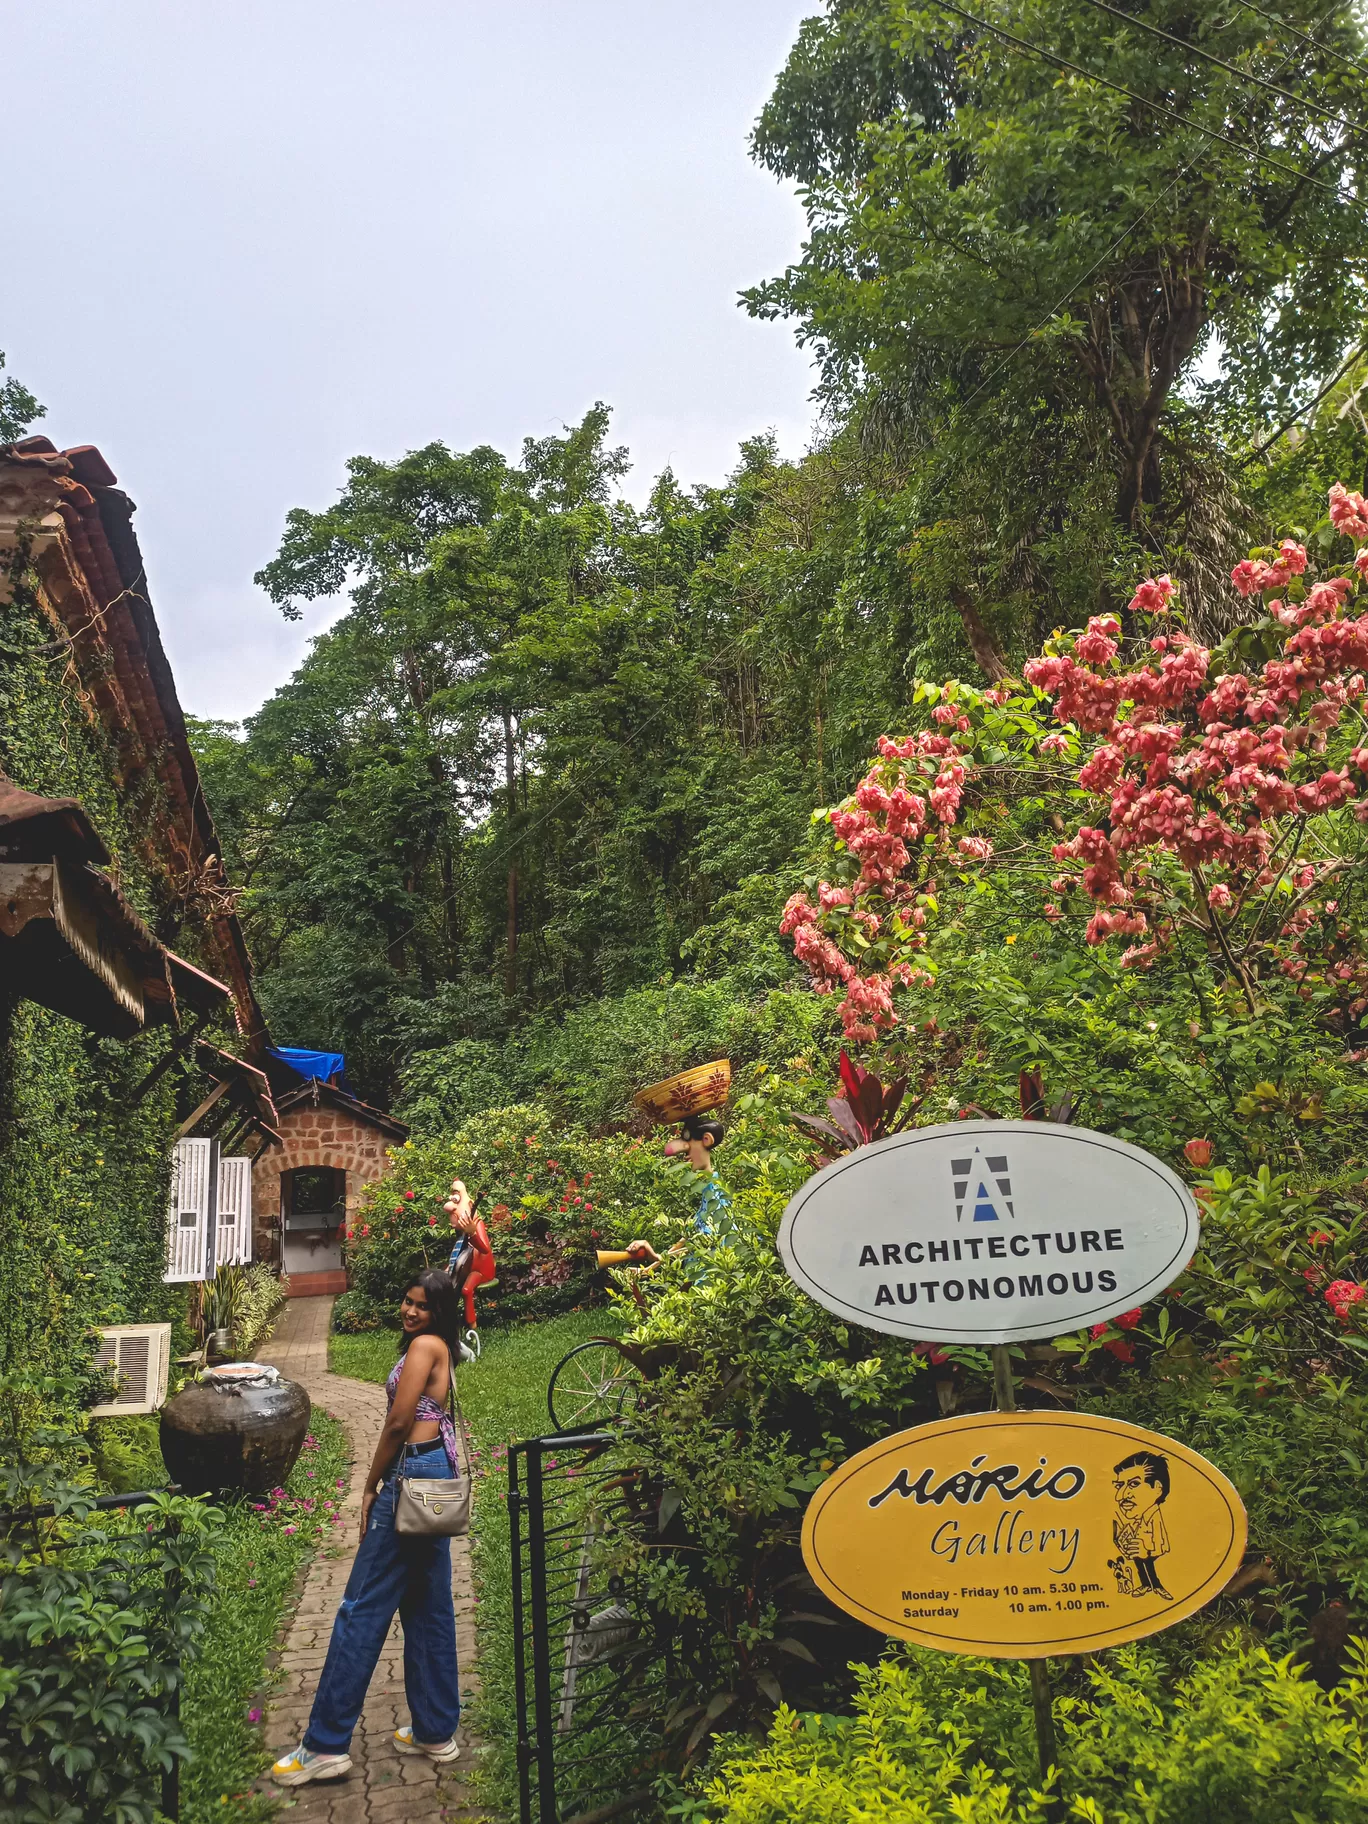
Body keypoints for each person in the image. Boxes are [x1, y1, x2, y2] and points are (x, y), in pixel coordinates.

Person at [269, 1265, 470, 1786]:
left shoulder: (425, 1346)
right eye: (407, 1301)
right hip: (435, 1473)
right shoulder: (439, 1345)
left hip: (410, 1474)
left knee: (361, 1607)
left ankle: (325, 1744)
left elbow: (399, 1423)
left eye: (421, 1305)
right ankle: (435, 1730)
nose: (409, 1310)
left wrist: (369, 1484)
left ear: (437, 1313)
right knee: (429, 1606)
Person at [625, 1113, 732, 1265]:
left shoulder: (716, 1194)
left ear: (706, 1140)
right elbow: (686, 1242)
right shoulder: (707, 1194)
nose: (684, 1154)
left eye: (688, 1144)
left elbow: (704, 1244)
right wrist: (651, 1259)